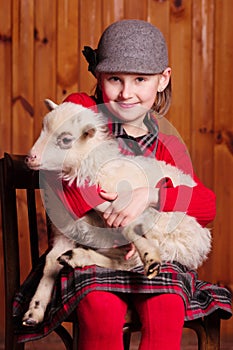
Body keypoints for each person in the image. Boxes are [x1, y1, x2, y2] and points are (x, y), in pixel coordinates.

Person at [13, 19, 232, 350]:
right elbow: (71, 188)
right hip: (91, 249)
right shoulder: (82, 110)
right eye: (115, 79)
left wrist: (150, 195)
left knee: (167, 304)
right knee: (99, 306)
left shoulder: (163, 141)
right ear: (99, 78)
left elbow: (205, 204)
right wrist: (122, 221)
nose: (126, 93)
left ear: (162, 80)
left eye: (140, 80)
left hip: (142, 254)